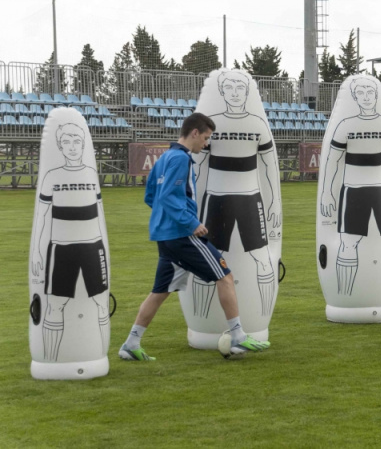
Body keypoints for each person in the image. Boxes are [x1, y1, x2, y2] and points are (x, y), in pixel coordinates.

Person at [119, 113, 270, 361]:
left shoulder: (164, 157)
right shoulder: (180, 159)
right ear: (195, 133)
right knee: (226, 277)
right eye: (206, 138)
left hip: (166, 236)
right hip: (181, 235)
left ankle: (131, 343)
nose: (207, 144)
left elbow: (151, 196)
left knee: (160, 291)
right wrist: (190, 222)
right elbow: (168, 196)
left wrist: (166, 219)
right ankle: (239, 337)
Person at [192, 70, 280, 318]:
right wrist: (192, 205)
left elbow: (268, 167)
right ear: (221, 92)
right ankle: (201, 320)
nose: (234, 92)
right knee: (205, 261)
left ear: (247, 92)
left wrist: (272, 204)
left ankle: (261, 318)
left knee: (262, 260)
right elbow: (198, 167)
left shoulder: (258, 124)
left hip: (250, 201)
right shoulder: (210, 124)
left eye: (239, 88)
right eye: (229, 88)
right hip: (215, 200)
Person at [32, 123, 110, 361]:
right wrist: (37, 251)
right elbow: (43, 216)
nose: (73, 147)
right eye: (67, 142)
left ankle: (97, 353)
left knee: (101, 302)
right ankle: (51, 359)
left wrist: (103, 250)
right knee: (55, 306)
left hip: (93, 247)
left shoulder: (90, 173)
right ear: (60, 146)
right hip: (62, 248)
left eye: (77, 141)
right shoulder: (52, 176)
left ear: (84, 144)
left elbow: (98, 212)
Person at [320, 77, 381, 295]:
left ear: (376, 96)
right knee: (348, 244)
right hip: (353, 191)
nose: (366, 97)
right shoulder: (345, 125)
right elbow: (332, 161)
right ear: (355, 97)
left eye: (370, 92)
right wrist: (328, 193)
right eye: (361, 93)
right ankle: (344, 297)